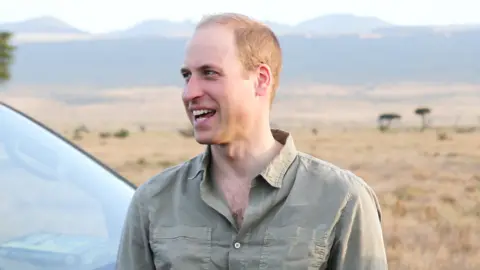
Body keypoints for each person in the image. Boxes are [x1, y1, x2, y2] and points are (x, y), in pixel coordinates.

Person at [116, 12, 388, 270]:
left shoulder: (342, 199)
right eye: (187, 76)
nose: (190, 93)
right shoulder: (154, 201)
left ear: (260, 80)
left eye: (209, 73)